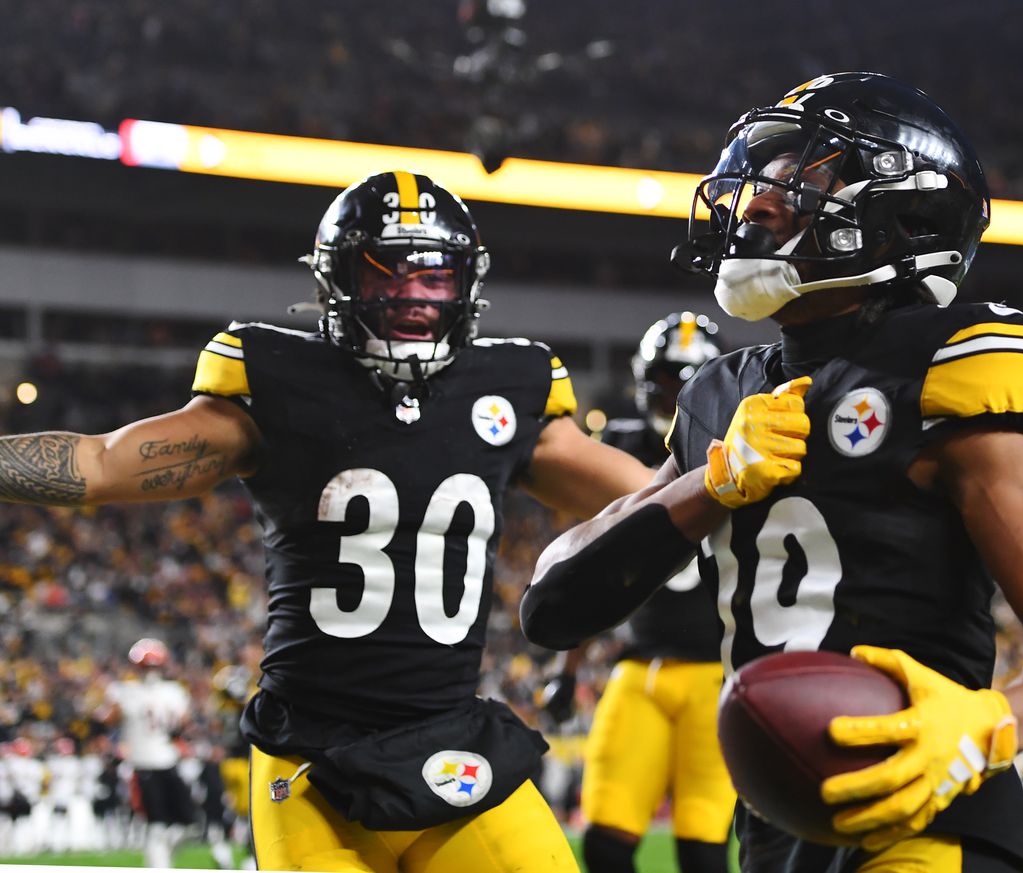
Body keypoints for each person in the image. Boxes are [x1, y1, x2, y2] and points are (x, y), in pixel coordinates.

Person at [521, 72, 1023, 873]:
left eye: (802, 176)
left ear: (903, 211)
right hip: (775, 825)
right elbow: (554, 604)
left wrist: (991, 721)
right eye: (761, 175)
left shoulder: (953, 358)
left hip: (924, 812)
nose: (759, 200)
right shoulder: (718, 393)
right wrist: (712, 481)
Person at [0, 170, 653, 873]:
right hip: (311, 755)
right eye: (386, 272)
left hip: (453, 743)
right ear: (336, 279)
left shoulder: (508, 387)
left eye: (435, 276)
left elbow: (650, 500)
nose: (413, 296)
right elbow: (100, 464)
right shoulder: (279, 379)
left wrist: (733, 476)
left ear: (465, 285)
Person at [541, 312, 736, 873]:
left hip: (715, 674)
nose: (676, 395)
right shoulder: (621, 448)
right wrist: (569, 668)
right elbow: (588, 560)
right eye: (668, 380)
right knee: (604, 842)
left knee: (703, 851)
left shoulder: (745, 445)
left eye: (688, 382)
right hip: (638, 668)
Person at [104, 638, 196, 869]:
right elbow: (182, 725)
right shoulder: (175, 692)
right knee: (166, 825)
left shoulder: (124, 692)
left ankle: (161, 863)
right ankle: (161, 865)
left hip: (153, 762)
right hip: (154, 762)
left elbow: (108, 720)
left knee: (172, 826)